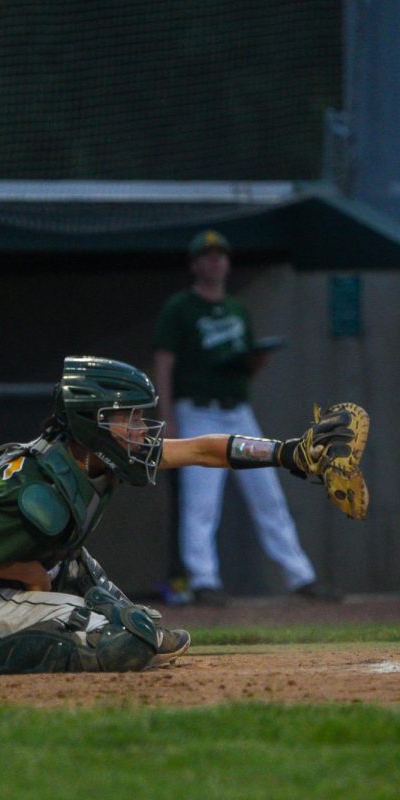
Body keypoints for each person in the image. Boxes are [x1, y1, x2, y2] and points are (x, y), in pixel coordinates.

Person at [0, 356, 368, 679]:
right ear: (91, 422)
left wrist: (288, 454)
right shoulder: (41, 493)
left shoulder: (93, 456)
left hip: (6, 569)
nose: (140, 428)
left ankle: (37, 617)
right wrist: (28, 574)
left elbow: (204, 449)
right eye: (128, 418)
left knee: (140, 629)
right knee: (122, 646)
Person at [153, 230, 332, 604]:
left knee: (268, 494)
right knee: (201, 502)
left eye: (221, 256)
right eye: (208, 256)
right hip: (198, 412)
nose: (215, 261)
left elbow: (243, 368)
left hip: (237, 411)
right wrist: (166, 416)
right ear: (195, 264)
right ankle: (204, 581)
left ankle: (301, 577)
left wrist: (254, 362)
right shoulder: (180, 308)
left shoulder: (236, 309)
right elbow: (165, 362)